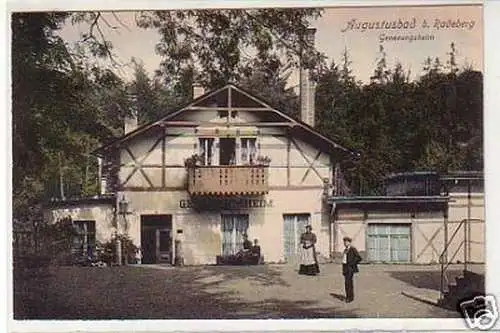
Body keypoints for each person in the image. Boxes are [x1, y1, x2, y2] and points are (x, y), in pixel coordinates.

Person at [342, 236, 362, 303]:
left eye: (346, 242)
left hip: (350, 268)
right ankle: (348, 296)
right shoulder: (345, 250)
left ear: (349, 242)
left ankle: (350, 297)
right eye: (344, 242)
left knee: (349, 283)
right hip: (345, 268)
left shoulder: (353, 249)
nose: (345, 243)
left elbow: (359, 258)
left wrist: (352, 263)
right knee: (346, 283)